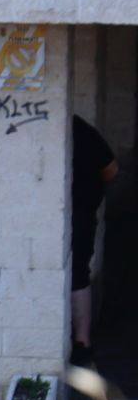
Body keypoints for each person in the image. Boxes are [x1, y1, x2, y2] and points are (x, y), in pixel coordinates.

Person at [71, 115, 119, 367]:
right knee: (79, 275)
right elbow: (112, 170)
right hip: (82, 213)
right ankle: (82, 342)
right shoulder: (82, 130)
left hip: (58, 215)